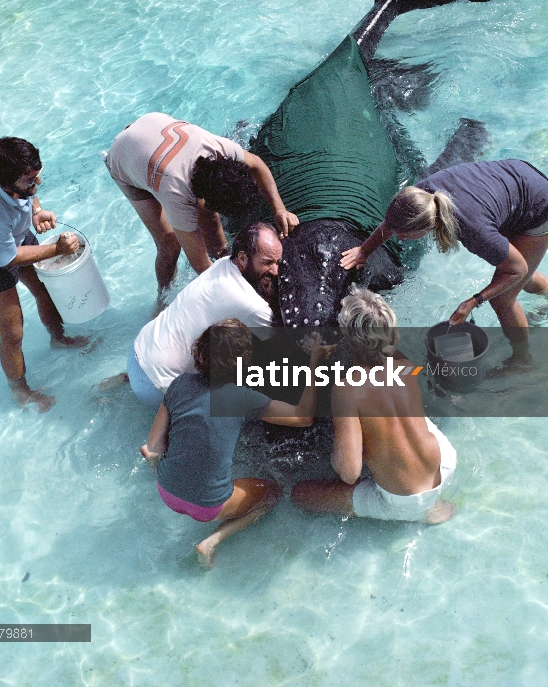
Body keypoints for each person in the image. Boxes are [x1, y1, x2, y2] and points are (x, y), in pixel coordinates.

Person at [341, 159, 548, 371]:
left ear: (426, 226)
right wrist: (364, 251)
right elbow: (392, 224)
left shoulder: (473, 230)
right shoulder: (419, 198)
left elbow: (518, 270)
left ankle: (523, 361)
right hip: (518, 186)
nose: (399, 238)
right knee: (510, 267)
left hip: (541, 207)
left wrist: (473, 301)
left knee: (502, 296)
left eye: (404, 235)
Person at [140, 320, 333, 567]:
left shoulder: (180, 384)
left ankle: (158, 466)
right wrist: (314, 363)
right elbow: (303, 417)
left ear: (200, 350)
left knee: (158, 451)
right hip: (207, 507)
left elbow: (154, 443)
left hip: (165, 490)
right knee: (272, 492)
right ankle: (213, 540)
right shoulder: (242, 398)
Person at [291, 287, 456, 524]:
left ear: (348, 338)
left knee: (300, 495)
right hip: (445, 463)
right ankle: (430, 502)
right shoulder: (402, 362)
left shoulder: (347, 390)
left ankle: (424, 512)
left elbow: (349, 473)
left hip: (406, 501)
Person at [104, 112, 299, 295]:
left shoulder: (219, 149)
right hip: (123, 155)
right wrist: (244, 288)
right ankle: (162, 297)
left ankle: (223, 254)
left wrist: (279, 209)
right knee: (170, 244)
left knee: (210, 218)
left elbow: (256, 164)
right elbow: (201, 266)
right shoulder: (176, 193)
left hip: (151, 128)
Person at [100, 223, 283, 407]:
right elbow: (283, 351)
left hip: (138, 351)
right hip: (158, 387)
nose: (275, 271)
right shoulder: (253, 306)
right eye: (267, 262)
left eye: (278, 262)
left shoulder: (223, 264)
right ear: (243, 258)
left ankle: (104, 389)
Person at [0, 138, 87, 411]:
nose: (38, 184)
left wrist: (36, 210)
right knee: (13, 332)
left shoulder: (6, 162)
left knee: (45, 287)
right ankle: (19, 390)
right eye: (30, 181)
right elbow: (6, 258)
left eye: (37, 174)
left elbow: (28, 182)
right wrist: (56, 249)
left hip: (14, 236)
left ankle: (58, 338)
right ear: (6, 184)